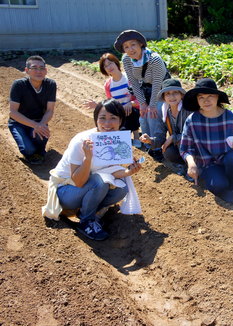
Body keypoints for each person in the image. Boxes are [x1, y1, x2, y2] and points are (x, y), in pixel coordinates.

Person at [42, 99, 143, 241]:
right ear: (96, 120)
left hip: (87, 188)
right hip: (66, 191)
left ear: (121, 121)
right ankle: (86, 221)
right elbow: (77, 181)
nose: (107, 124)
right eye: (102, 118)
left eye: (113, 118)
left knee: (122, 187)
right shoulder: (82, 141)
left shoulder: (116, 140)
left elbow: (111, 170)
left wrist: (129, 172)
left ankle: (91, 211)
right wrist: (87, 159)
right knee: (99, 182)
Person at [180, 78, 233, 203]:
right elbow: (185, 148)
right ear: (197, 101)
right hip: (208, 163)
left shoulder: (230, 118)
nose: (206, 101)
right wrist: (191, 163)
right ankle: (220, 183)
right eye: (201, 97)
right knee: (218, 184)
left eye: (210, 96)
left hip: (228, 161)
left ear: (217, 98)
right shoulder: (193, 120)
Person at [114, 29, 170, 161]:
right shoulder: (126, 59)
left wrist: (152, 105)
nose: (130, 49)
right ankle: (148, 144)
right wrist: (143, 104)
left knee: (153, 114)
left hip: (162, 90)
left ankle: (157, 147)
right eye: (126, 47)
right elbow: (133, 83)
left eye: (133, 44)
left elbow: (157, 83)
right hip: (144, 89)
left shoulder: (154, 59)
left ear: (140, 44)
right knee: (143, 117)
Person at [83, 53, 141, 148]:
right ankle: (125, 133)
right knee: (119, 134)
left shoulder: (129, 78)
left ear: (116, 63)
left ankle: (136, 136)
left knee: (131, 112)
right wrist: (97, 105)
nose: (109, 67)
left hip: (134, 110)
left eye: (110, 63)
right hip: (119, 113)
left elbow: (140, 98)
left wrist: (131, 103)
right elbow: (111, 104)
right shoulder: (108, 84)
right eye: (105, 66)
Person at [8, 55, 57, 164]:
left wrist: (41, 124)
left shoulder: (50, 84)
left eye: (41, 68)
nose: (38, 71)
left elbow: (50, 110)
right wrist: (35, 126)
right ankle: (30, 151)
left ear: (46, 70)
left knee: (40, 141)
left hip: (39, 120)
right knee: (28, 150)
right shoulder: (19, 85)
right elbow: (13, 112)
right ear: (27, 71)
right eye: (34, 68)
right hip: (18, 122)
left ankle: (39, 149)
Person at [140, 78, 191, 170]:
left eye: (175, 92)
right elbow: (160, 135)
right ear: (164, 97)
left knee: (180, 143)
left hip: (193, 144)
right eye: (167, 94)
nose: (171, 96)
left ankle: (195, 166)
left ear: (181, 95)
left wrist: (173, 137)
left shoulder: (188, 110)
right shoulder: (164, 111)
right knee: (168, 152)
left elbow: (194, 134)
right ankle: (184, 165)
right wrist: (150, 140)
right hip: (180, 144)